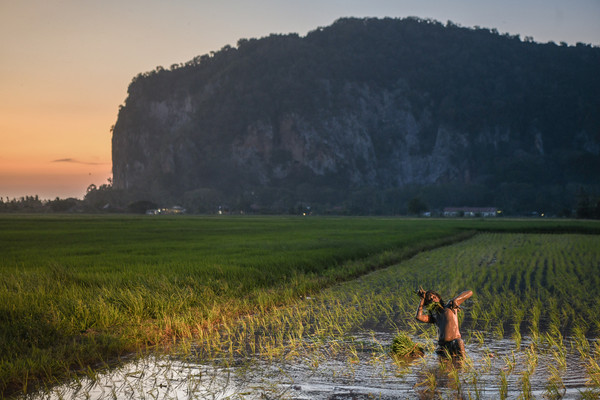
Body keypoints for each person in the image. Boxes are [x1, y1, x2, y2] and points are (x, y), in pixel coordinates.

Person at [415, 287, 473, 358]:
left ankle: (463, 363)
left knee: (459, 343)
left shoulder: (450, 306)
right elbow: (418, 317)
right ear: (429, 304)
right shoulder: (434, 316)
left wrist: (456, 300)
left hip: (455, 343)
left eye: (434, 297)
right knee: (444, 366)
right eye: (430, 299)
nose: (433, 299)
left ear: (439, 298)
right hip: (442, 346)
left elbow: (470, 292)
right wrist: (422, 299)